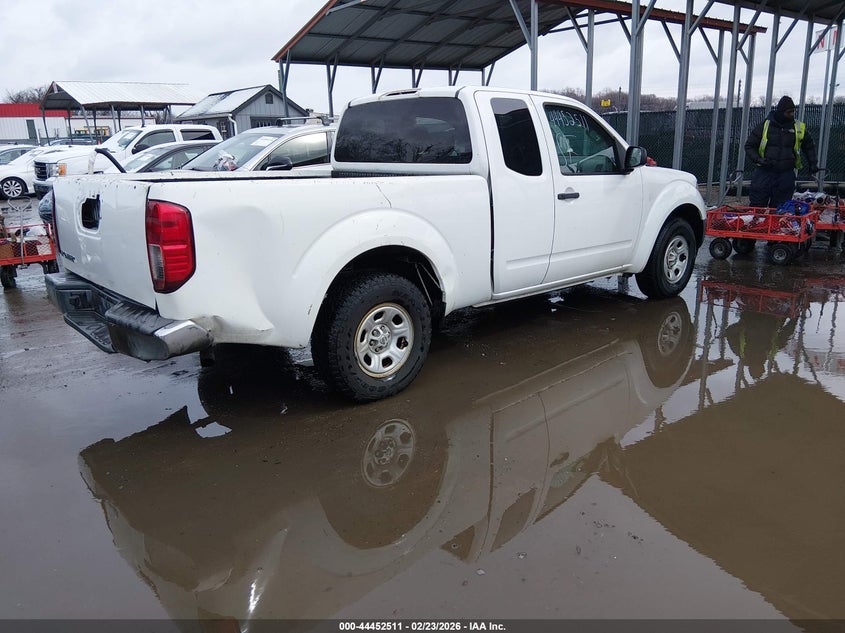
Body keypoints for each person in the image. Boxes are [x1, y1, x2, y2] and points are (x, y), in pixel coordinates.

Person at [744, 95, 818, 209]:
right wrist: (759, 160)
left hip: (785, 174)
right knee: (757, 205)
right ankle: (757, 225)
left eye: (793, 112)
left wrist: (813, 163)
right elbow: (749, 146)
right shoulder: (765, 125)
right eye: (789, 112)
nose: (792, 114)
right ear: (781, 111)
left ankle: (776, 226)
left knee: (781, 208)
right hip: (764, 172)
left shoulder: (798, 128)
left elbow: (809, 146)